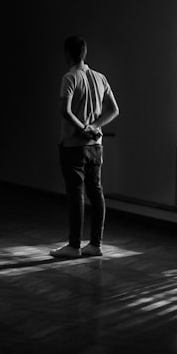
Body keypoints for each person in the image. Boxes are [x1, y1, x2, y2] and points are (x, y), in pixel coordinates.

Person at [50, 36, 119, 259]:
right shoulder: (100, 77)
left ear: (67, 54)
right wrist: (94, 127)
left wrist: (82, 128)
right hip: (96, 146)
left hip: (73, 146)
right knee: (96, 192)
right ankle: (96, 244)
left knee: (76, 194)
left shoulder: (69, 77)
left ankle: (73, 245)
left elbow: (65, 111)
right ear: (85, 53)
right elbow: (114, 110)